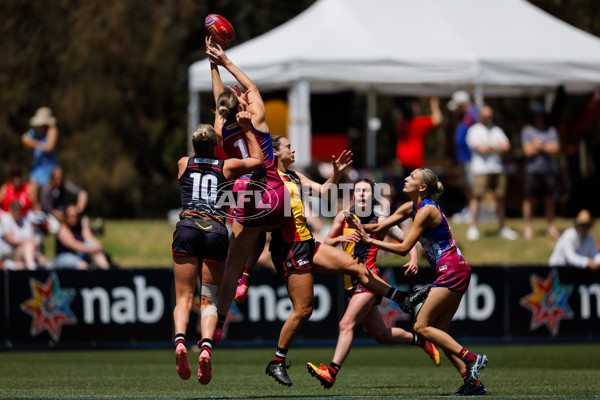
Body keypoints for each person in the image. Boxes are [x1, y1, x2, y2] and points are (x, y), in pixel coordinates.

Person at [264, 136, 431, 387]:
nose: (293, 149)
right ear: (276, 153)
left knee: (356, 266)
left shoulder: (294, 176)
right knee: (304, 309)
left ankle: (402, 298)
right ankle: (277, 361)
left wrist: (336, 173)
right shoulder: (268, 178)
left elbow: (324, 190)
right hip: (288, 248)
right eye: (289, 146)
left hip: (307, 242)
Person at [348, 168, 488, 396]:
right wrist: (358, 225)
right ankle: (472, 383)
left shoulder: (427, 210)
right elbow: (380, 227)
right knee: (439, 332)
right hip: (454, 270)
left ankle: (472, 358)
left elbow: (404, 248)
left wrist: (368, 241)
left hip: (452, 270)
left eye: (412, 177)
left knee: (420, 327)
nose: (405, 178)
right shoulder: (410, 207)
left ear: (423, 187)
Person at [306, 179, 440, 389]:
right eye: (358, 190)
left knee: (345, 324)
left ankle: (331, 371)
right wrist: (342, 236)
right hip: (351, 283)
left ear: (372, 196)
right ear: (353, 194)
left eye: (366, 191)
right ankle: (422, 341)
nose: (361, 194)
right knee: (382, 335)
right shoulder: (344, 216)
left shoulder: (381, 220)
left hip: (370, 281)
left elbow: (407, 239)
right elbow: (326, 243)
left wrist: (413, 258)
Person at [206, 36, 289, 344]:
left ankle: (219, 323)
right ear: (242, 104)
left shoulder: (220, 129)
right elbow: (252, 88)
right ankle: (253, 275)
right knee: (286, 227)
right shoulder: (255, 117)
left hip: (248, 198)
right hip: (275, 194)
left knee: (232, 265)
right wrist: (225, 61)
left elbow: (220, 102)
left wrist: (211, 65)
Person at [171, 112, 264, 385]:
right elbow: (257, 160)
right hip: (215, 230)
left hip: (187, 227)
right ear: (214, 145)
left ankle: (179, 343)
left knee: (183, 298)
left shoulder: (182, 163)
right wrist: (246, 129)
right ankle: (207, 347)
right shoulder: (225, 166)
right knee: (208, 298)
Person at [465, 105, 518, 241]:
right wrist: (496, 148)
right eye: (486, 115)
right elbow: (480, 149)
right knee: (477, 197)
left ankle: (502, 228)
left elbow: (507, 146)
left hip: (497, 168)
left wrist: (490, 148)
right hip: (480, 169)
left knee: (500, 198)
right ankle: (472, 227)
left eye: (491, 115)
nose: (489, 117)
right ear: (480, 116)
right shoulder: (474, 130)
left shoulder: (497, 130)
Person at [521, 103, 561, 240]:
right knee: (529, 199)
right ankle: (527, 227)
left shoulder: (551, 131)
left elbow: (555, 150)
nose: (538, 117)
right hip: (532, 170)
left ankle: (551, 227)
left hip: (548, 170)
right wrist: (546, 147)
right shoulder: (527, 131)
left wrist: (539, 145)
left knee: (549, 199)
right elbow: (527, 151)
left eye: (540, 115)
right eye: (536, 115)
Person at [447, 90, 478, 222]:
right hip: (463, 157)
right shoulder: (465, 115)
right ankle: (469, 208)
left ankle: (474, 212)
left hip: (470, 157)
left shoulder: (473, 113)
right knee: (466, 185)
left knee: (472, 186)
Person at [21, 107, 59, 209]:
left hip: (48, 168)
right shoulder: (39, 132)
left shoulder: (52, 130)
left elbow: (49, 147)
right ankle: (37, 215)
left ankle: (47, 215)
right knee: (31, 193)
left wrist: (33, 143)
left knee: (46, 196)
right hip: (37, 168)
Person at [54, 204, 110, 270]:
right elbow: (73, 245)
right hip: (65, 256)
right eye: (72, 216)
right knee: (82, 265)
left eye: (76, 216)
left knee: (94, 248)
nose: (74, 218)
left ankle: (106, 270)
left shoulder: (80, 227)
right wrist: (90, 249)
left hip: (80, 253)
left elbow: (89, 239)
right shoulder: (63, 229)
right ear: (66, 216)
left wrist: (85, 223)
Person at [395, 97, 442, 173]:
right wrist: (434, 104)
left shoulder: (401, 123)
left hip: (402, 158)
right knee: (414, 182)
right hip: (414, 159)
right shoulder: (417, 123)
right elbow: (437, 119)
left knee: (406, 181)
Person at [0, 200, 46, 270]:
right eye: (15, 210)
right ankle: (31, 269)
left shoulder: (25, 221)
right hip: (9, 252)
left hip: (26, 252)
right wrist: (28, 241)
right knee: (28, 247)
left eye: (19, 210)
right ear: (10, 210)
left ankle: (14, 265)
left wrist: (33, 243)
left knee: (41, 260)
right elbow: (12, 240)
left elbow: (32, 238)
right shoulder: (5, 220)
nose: (17, 212)